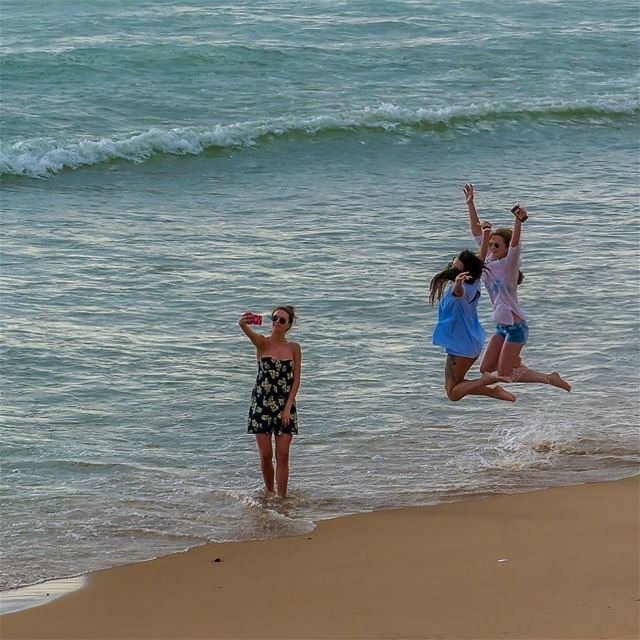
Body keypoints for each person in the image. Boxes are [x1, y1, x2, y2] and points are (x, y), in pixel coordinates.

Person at [463, 183, 571, 391]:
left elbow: (515, 245)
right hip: (502, 327)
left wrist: (518, 221)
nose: (492, 248)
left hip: (516, 328)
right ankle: (518, 363)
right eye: (491, 244)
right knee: (486, 369)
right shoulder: (487, 262)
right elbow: (477, 232)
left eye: (496, 245)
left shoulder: (508, 266)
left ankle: (549, 378)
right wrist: (470, 203)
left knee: (504, 374)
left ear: (504, 249)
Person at [430, 245, 515, 402]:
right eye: (452, 263)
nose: (451, 267)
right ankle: (492, 390)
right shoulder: (475, 282)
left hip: (462, 346)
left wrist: (457, 283)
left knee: (453, 393)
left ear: (464, 274)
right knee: (454, 386)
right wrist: (486, 232)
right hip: (468, 341)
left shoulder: (463, 289)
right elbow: (479, 259)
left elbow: (458, 292)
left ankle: (488, 381)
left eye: (455, 268)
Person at [238, 305, 302, 498]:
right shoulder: (262, 343)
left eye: (282, 320)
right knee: (266, 454)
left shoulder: (294, 348)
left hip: (285, 405)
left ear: (289, 325)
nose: (277, 323)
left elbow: (296, 380)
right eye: (274, 318)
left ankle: (281, 499)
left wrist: (288, 407)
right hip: (261, 404)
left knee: (282, 454)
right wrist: (243, 324)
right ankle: (269, 492)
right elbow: (247, 331)